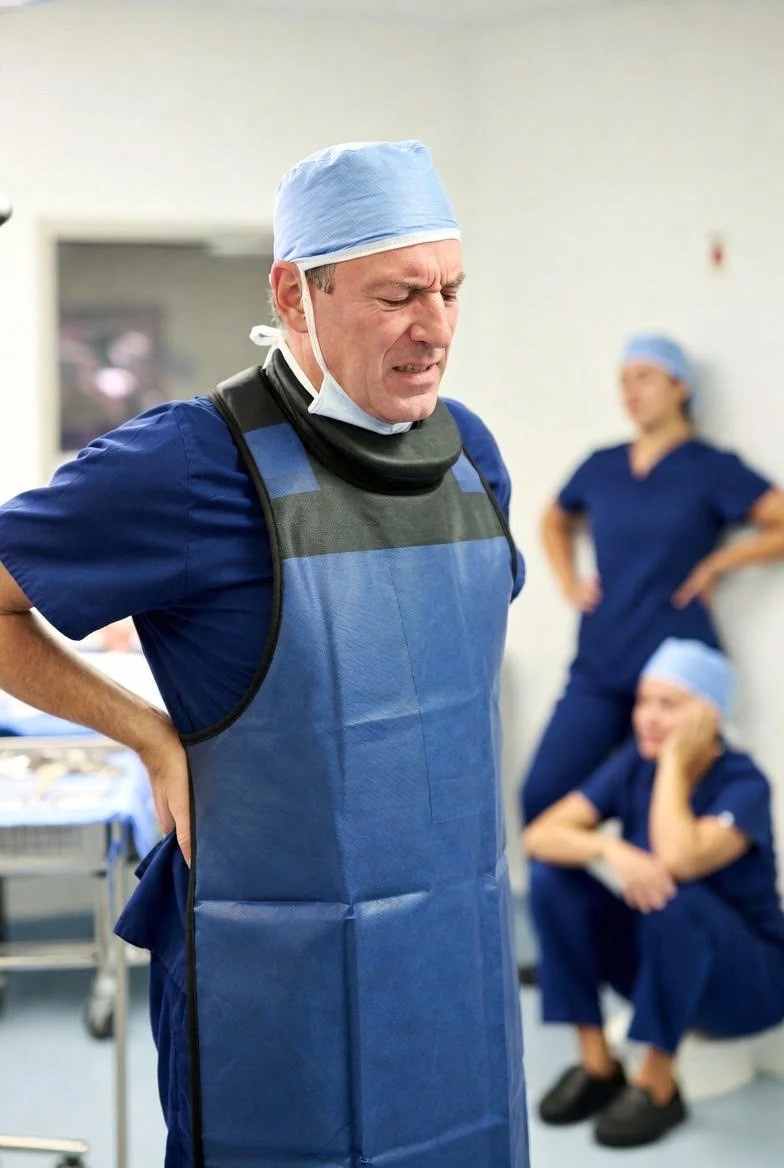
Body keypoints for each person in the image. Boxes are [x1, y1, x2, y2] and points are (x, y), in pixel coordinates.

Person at [0, 141, 528, 1168]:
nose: (435, 328)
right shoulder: (186, 467)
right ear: (295, 294)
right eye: (399, 294)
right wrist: (150, 738)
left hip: (453, 952)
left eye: (452, 292)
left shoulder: (468, 456)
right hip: (274, 969)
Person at [524, 638, 784, 1149]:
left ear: (710, 717)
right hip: (663, 959)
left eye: (670, 705)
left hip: (751, 983)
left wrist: (672, 767)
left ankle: (658, 1085)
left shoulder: (744, 784)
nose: (647, 717)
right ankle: (598, 1065)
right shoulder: (632, 766)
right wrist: (612, 852)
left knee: (673, 894)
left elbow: (679, 858)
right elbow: (541, 834)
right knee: (550, 877)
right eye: (644, 701)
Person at [521, 335, 784, 827]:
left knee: (659, 820)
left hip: (675, 672)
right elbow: (553, 519)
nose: (630, 391)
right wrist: (568, 581)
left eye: (643, 377)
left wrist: (718, 564)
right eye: (623, 381)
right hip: (602, 660)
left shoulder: (710, 468)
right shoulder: (602, 465)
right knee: (543, 799)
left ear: (679, 385)